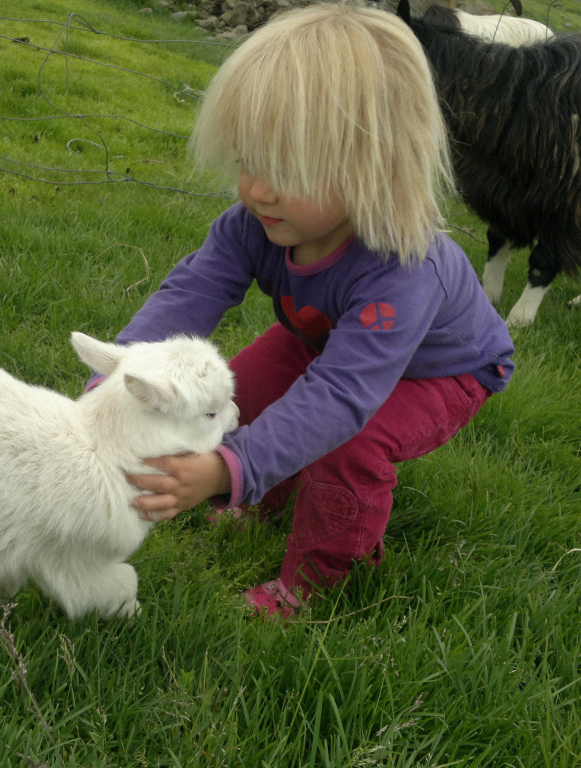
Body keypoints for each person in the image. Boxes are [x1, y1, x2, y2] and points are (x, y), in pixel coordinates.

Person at [118, 1, 514, 617]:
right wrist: (123, 372)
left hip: (444, 370)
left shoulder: (404, 271)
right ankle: (267, 494)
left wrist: (229, 466)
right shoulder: (255, 222)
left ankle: (319, 579)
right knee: (237, 396)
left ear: (375, 168)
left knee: (350, 442)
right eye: (248, 159)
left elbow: (340, 397)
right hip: (330, 338)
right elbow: (189, 295)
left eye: (286, 169)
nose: (255, 188)